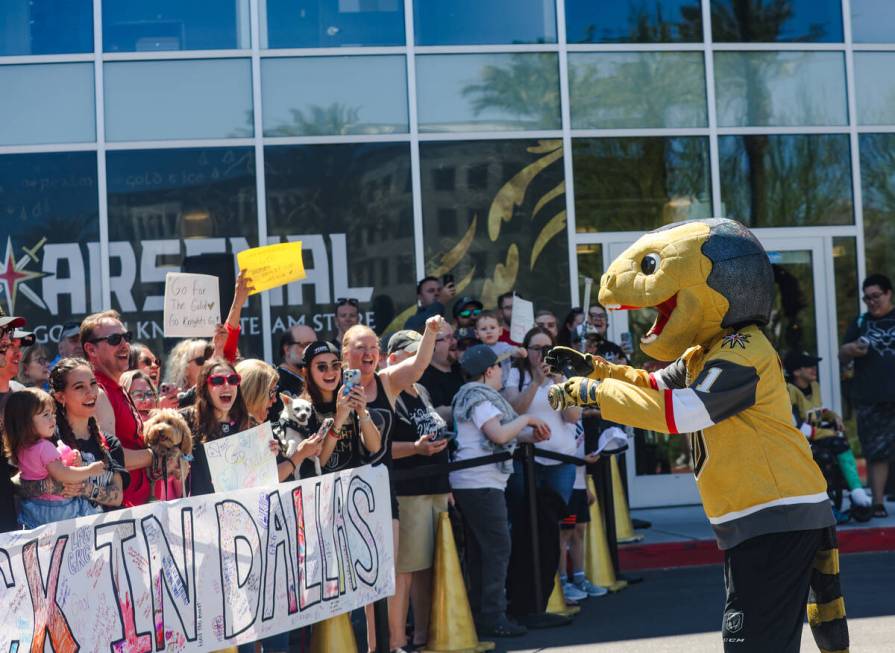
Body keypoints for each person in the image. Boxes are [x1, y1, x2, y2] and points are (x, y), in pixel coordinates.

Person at [547, 218, 846, 652]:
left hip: (778, 515)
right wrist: (598, 369)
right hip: (755, 521)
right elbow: (654, 386)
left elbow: (686, 411)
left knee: (753, 644)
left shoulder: (746, 350)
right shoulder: (703, 353)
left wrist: (596, 393)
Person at [342, 318, 440, 653]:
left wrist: (430, 332)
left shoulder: (386, 381)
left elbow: (419, 365)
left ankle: (387, 646)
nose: (369, 353)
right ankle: (370, 646)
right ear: (346, 354)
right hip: (344, 495)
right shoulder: (331, 385)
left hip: (382, 492)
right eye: (361, 348)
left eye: (374, 348)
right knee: (359, 585)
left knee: (384, 576)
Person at [450, 344, 550, 638]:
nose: (503, 374)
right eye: (500, 368)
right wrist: (528, 420)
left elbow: (502, 434)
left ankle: (484, 613)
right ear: (489, 371)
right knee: (497, 548)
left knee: (485, 550)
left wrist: (532, 436)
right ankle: (493, 616)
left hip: (478, 483)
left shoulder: (476, 397)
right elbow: (498, 434)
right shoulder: (477, 397)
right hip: (478, 483)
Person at [502, 327, 583, 602]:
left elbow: (572, 416)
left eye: (547, 349)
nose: (542, 354)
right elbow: (514, 410)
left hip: (561, 462)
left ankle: (560, 583)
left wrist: (558, 380)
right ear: (527, 351)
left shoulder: (562, 377)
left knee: (558, 526)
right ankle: (527, 587)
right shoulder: (517, 374)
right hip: (529, 462)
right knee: (528, 523)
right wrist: (536, 382)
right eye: (536, 349)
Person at [386, 330, 450, 651]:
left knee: (428, 567)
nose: (421, 361)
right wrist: (415, 448)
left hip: (436, 488)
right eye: (414, 355)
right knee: (405, 571)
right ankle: (397, 640)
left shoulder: (421, 388)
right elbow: (380, 448)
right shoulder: (388, 391)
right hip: (408, 492)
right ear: (394, 359)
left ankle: (425, 633)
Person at [785, 351, 872, 520]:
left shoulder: (814, 386)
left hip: (816, 438)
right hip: (800, 442)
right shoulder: (788, 391)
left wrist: (832, 416)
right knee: (823, 457)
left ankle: (857, 491)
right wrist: (827, 432)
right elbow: (798, 426)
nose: (813, 369)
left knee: (840, 444)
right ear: (796, 372)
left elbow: (816, 412)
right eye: (808, 366)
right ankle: (827, 505)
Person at [3, 387, 105, 529]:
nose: (53, 419)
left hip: (32, 507)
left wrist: (69, 458)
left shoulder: (22, 448)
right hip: (58, 509)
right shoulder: (45, 447)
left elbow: (41, 471)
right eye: (46, 415)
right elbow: (63, 475)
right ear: (26, 422)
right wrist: (89, 470)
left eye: (53, 413)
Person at [83, 310, 154, 507]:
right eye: (115, 339)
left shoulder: (116, 387)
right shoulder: (96, 392)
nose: (124, 345)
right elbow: (110, 456)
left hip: (138, 506)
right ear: (91, 349)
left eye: (126, 337)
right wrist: (156, 456)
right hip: (121, 512)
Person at [840, 273, 895, 517]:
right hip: (871, 397)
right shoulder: (861, 321)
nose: (872, 302)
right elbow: (842, 353)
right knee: (876, 452)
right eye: (867, 298)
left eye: (876, 296)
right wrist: (851, 350)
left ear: (888, 294)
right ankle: (878, 504)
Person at [51, 358, 129, 510]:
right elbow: (22, 483)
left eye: (93, 384)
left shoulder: (109, 443)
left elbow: (117, 497)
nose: (91, 393)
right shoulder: (50, 441)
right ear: (60, 397)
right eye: (79, 387)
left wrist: (83, 488)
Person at [300, 341, 381, 475]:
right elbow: (319, 462)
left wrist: (362, 412)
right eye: (321, 367)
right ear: (306, 372)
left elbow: (375, 447)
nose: (330, 372)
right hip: (323, 490)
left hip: (354, 486)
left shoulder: (349, 400)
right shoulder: (303, 409)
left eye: (335, 365)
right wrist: (338, 420)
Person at [0, 309, 26, 533]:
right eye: (2, 335)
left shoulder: (23, 397)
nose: (8, 341)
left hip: (17, 526)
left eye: (8, 334)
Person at [269, 323, 317, 421]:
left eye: (315, 345)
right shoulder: (274, 381)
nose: (312, 350)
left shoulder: (318, 378)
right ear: (287, 349)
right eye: (305, 345)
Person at [418, 321, 464, 423]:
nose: (455, 341)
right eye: (448, 338)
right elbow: (439, 413)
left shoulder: (462, 368)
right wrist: (473, 408)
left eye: (454, 336)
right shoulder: (423, 378)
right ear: (432, 344)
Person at [475, 310, 524, 384]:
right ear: (477, 334)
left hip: (506, 384)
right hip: (488, 386)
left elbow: (512, 350)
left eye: (492, 328)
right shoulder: (477, 351)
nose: (488, 331)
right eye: (483, 329)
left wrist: (519, 351)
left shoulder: (503, 346)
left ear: (500, 331)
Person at [163, 338, 213, 407]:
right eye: (201, 360)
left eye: (210, 359)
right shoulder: (172, 402)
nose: (207, 364)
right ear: (185, 368)